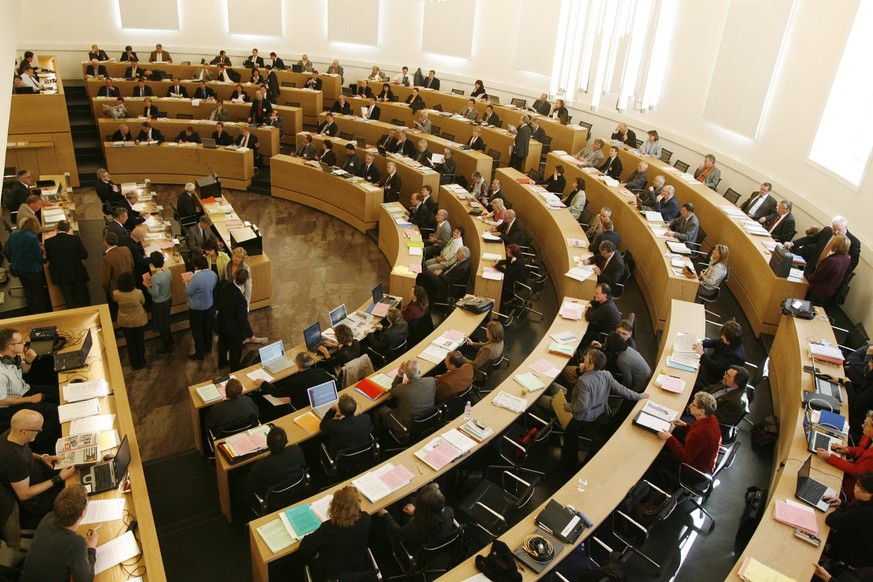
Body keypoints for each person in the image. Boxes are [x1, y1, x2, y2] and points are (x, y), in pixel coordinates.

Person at [560, 349, 649, 471]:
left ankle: (568, 465)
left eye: (587, 357)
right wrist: (638, 395)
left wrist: (568, 407)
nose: (584, 357)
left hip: (584, 417)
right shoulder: (606, 374)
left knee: (569, 434)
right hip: (600, 414)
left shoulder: (583, 381)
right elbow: (622, 390)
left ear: (591, 365)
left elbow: (581, 406)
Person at [0, 410, 75, 544]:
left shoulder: (9, 436)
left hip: (38, 475)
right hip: (35, 499)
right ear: (23, 431)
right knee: (74, 493)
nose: (40, 431)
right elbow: (24, 494)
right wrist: (59, 479)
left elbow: (25, 451)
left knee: (74, 471)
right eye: (37, 430)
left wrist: (42, 458)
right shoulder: (15, 462)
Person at [20, 484, 98, 582]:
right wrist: (91, 548)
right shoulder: (76, 544)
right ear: (82, 513)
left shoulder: (48, 517)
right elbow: (85, 579)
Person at [300, 486, 372, 580]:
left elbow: (305, 545)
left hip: (334, 572)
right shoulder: (366, 520)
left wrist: (316, 555)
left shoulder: (328, 528)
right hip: (357, 565)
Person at [656, 391, 721, 481]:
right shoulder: (712, 418)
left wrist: (669, 438)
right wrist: (686, 425)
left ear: (701, 411)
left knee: (658, 456)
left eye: (694, 404)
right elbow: (699, 431)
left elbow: (684, 458)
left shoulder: (698, 434)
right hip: (704, 464)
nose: (690, 405)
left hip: (692, 471)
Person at [818, 472, 873, 574]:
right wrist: (842, 503)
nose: (856, 489)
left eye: (863, 490)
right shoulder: (866, 505)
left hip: (851, 556)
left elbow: (831, 520)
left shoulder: (865, 513)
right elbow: (853, 511)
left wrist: (840, 509)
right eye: (857, 484)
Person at [377, 483, 455, 553]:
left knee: (409, 501)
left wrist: (386, 515)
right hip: (438, 542)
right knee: (411, 500)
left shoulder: (416, 526)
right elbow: (432, 515)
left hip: (419, 548)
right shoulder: (449, 511)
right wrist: (415, 512)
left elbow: (400, 533)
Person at [817, 410, 873, 501]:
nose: (862, 426)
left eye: (866, 425)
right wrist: (847, 450)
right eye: (864, 423)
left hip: (852, 485)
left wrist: (829, 457)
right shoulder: (868, 436)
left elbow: (856, 471)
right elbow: (861, 450)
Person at [785, 215, 861, 278]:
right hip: (812, 268)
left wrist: (839, 277)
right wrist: (792, 243)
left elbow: (852, 263)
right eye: (834, 229)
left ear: (845, 227)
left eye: (839, 230)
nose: (836, 232)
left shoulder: (853, 242)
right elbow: (811, 239)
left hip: (827, 277)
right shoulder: (827, 231)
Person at [256, 352, 333, 411]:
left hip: (304, 408)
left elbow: (277, 393)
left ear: (298, 364)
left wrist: (263, 383)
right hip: (322, 402)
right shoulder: (322, 371)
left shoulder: (294, 382)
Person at [376, 359, 436, 434]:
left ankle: (379, 434)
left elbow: (393, 388)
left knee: (379, 409)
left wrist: (400, 375)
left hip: (406, 425)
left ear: (406, 374)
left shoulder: (402, 389)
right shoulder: (431, 381)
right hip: (428, 419)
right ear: (419, 372)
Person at [245, 425, 305, 500]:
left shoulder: (260, 466)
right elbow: (303, 466)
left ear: (267, 444)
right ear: (286, 441)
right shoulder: (296, 450)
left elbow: (251, 488)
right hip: (297, 492)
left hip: (274, 500)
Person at [44, 220, 89, 309]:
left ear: (56, 228)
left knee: (68, 298)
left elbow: (49, 258)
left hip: (61, 274)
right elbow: (84, 255)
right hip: (77, 272)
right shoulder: (75, 239)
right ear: (68, 229)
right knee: (82, 296)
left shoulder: (49, 242)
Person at [6, 218, 48, 314]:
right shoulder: (32, 238)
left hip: (17, 268)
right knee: (37, 293)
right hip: (32, 270)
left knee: (27, 289)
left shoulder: (13, 234)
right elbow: (38, 257)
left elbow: (9, 251)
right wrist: (44, 258)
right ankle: (39, 313)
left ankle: (30, 310)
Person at [693, 320, 746, 389]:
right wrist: (702, 343)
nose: (721, 337)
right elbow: (715, 342)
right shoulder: (731, 341)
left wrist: (702, 354)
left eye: (723, 336)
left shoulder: (736, 356)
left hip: (713, 376)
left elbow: (716, 367)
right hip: (711, 363)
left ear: (729, 339)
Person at [186, 255, 218, 361]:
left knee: (197, 331)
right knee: (208, 328)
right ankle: (208, 348)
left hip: (196, 308)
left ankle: (199, 353)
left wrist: (186, 283)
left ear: (196, 267)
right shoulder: (213, 274)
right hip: (209, 305)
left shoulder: (196, 278)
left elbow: (188, 291)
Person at [214, 279, 251, 372]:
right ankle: (234, 369)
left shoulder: (226, 286)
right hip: (235, 330)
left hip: (223, 325)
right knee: (235, 351)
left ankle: (222, 363)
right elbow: (243, 320)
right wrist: (251, 334)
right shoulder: (241, 300)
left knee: (223, 346)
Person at [113, 273, 147, 370]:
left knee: (130, 343)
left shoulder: (116, 293)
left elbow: (115, 301)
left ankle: (134, 363)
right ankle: (142, 361)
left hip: (125, 321)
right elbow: (143, 302)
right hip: (138, 320)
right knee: (140, 342)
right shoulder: (138, 293)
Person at [143, 251, 173, 354]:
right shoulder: (168, 270)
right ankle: (170, 339)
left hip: (159, 303)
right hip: (168, 299)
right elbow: (171, 283)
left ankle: (167, 345)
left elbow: (155, 294)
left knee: (161, 325)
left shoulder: (155, 278)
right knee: (166, 320)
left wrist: (147, 286)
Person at [100, 232, 133, 320]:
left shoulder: (107, 258)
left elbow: (105, 280)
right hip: (130, 285)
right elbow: (132, 264)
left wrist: (106, 289)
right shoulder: (126, 249)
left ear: (105, 243)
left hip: (116, 288)